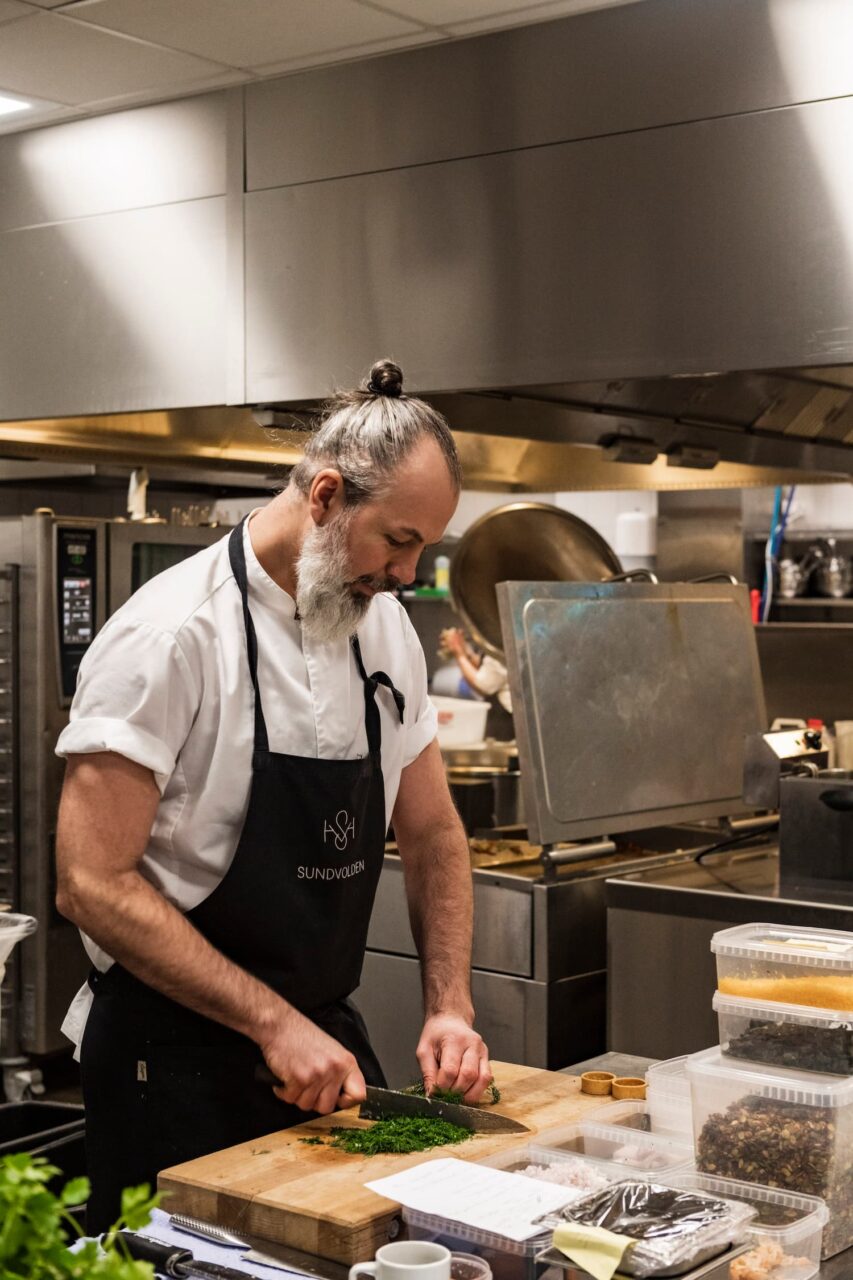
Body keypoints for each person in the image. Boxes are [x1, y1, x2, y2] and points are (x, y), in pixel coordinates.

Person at [55, 360, 491, 1229]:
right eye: (397, 541)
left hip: (321, 1049)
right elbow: (90, 882)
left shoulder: (386, 630)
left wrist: (449, 1004)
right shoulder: (172, 634)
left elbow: (434, 831)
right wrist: (270, 1023)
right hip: (168, 1061)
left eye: (422, 549)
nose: (407, 574)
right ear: (325, 494)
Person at [441, 627, 513, 715]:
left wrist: (459, 654)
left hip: (512, 713)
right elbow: (488, 666)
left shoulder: (505, 639)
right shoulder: (497, 641)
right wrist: (465, 651)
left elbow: (484, 685)